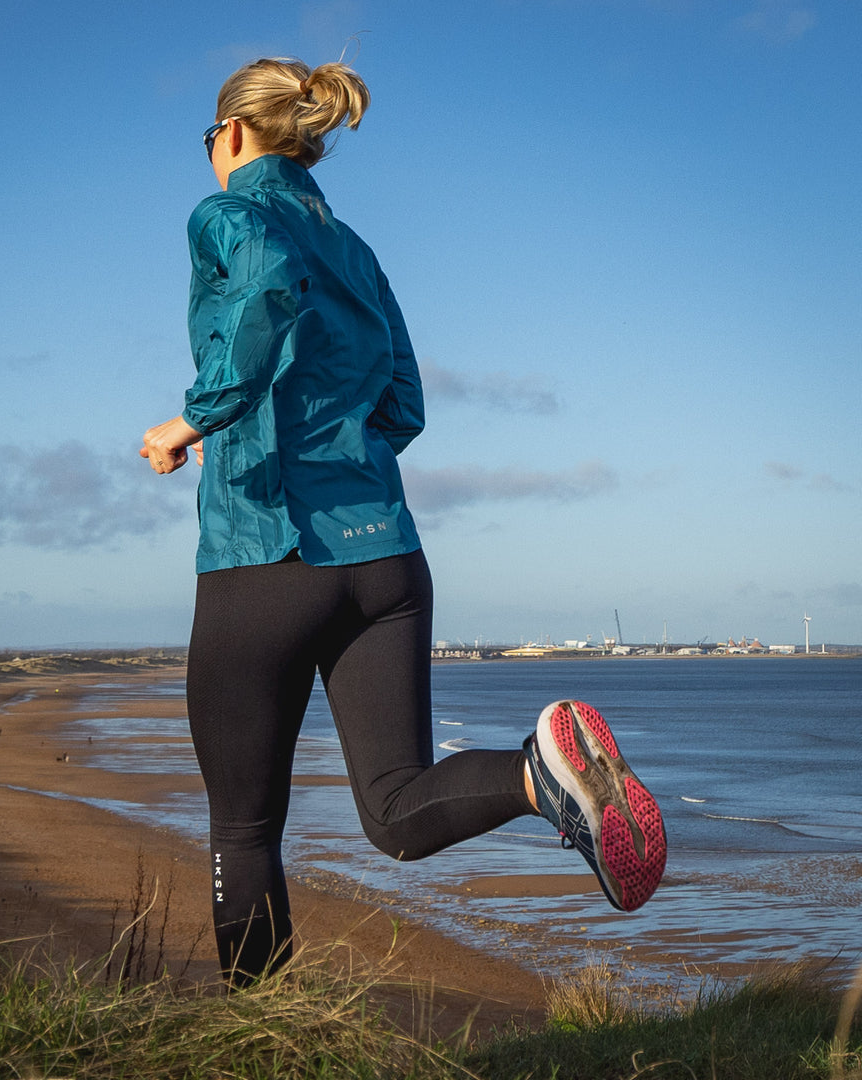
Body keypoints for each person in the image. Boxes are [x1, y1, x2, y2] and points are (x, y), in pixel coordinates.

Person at [142, 56, 666, 986]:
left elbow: (261, 291)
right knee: (392, 811)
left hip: (267, 550)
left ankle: (262, 1035)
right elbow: (406, 405)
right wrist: (346, 449)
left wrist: (191, 420)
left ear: (229, 135)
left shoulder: (228, 213)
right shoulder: (356, 250)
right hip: (386, 562)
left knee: (244, 827)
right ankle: (536, 773)